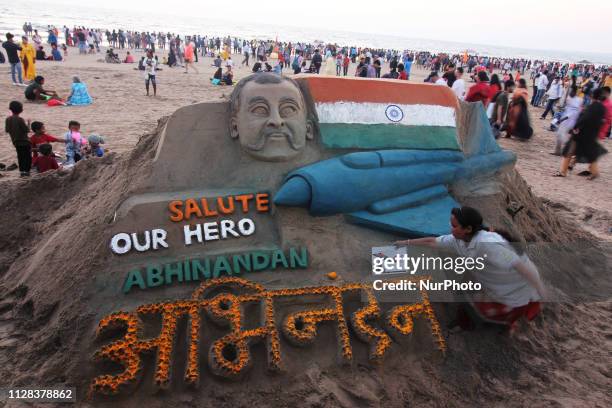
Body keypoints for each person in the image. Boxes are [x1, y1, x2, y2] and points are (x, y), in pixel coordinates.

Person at [395, 206, 545, 330]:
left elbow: (520, 265)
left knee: (496, 314)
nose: (450, 228)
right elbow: (432, 242)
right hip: (487, 276)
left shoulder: (489, 246)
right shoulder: (457, 240)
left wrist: (540, 289)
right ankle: (467, 322)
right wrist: (406, 242)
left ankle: (498, 327)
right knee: (464, 293)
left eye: (454, 226)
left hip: (510, 287)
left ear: (467, 229)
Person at [555, 88, 608, 180]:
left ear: (592, 96)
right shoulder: (602, 108)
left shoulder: (591, 107)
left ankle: (563, 172)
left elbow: (584, 119)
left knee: (568, 151)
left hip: (581, 134)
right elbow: (602, 121)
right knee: (590, 154)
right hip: (592, 135)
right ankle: (594, 172)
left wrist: (575, 128)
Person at [553, 86, 582, 155]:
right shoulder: (571, 98)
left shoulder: (577, 100)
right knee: (559, 135)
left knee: (561, 135)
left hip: (568, 121)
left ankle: (571, 147)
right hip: (567, 120)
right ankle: (558, 151)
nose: (570, 93)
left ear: (575, 92)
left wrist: (561, 120)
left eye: (571, 91)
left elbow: (572, 113)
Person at [5, 101, 32, 176]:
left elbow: (7, 130)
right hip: (25, 142)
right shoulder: (20, 119)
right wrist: (29, 123)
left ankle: (22, 171)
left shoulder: (8, 119)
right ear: (21, 110)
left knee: (20, 157)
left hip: (15, 142)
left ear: (10, 109)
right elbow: (27, 130)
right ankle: (27, 172)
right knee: (27, 157)